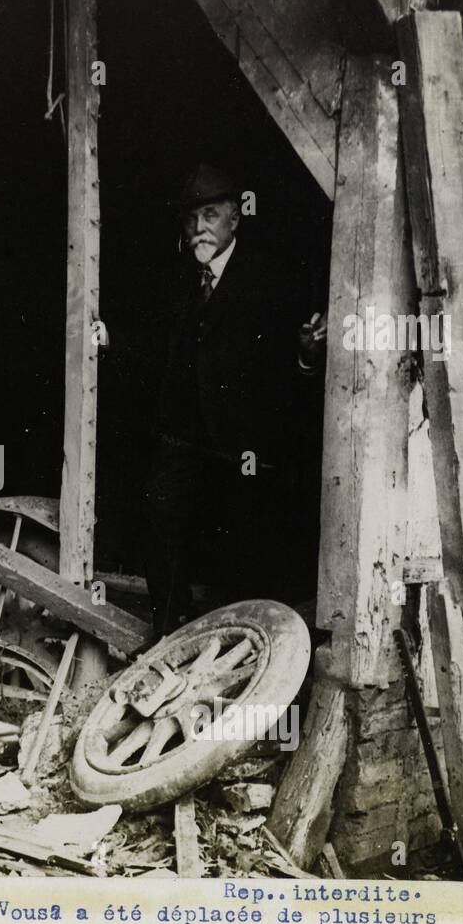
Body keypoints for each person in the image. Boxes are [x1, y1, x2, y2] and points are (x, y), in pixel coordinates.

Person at [143, 163, 326, 636]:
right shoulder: (178, 279)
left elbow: (294, 376)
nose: (199, 227)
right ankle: (166, 632)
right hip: (184, 437)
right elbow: (152, 345)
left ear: (235, 217)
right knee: (162, 517)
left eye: (210, 214)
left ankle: (241, 642)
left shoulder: (271, 279)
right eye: (190, 218)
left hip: (242, 446)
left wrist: (307, 356)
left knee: (243, 548)